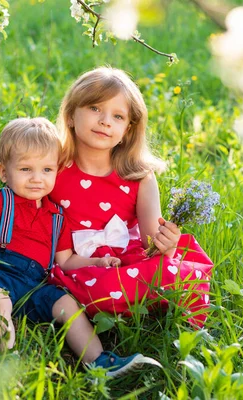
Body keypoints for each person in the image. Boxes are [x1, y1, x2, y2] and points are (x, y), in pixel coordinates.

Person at [0, 117, 145, 377]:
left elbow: (66, 260)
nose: (37, 179)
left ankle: (99, 361)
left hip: (35, 284)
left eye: (47, 170)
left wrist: (97, 262)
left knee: (67, 304)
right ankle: (3, 360)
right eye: (26, 169)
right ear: (4, 172)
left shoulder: (57, 216)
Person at [47, 67, 214, 327]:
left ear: (127, 129)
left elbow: (151, 243)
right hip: (77, 264)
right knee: (90, 286)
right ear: (70, 115)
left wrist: (167, 245)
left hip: (128, 262)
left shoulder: (139, 178)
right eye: (94, 108)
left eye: (118, 116)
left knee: (170, 271)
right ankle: (114, 302)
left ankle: (162, 315)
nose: (105, 121)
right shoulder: (52, 169)